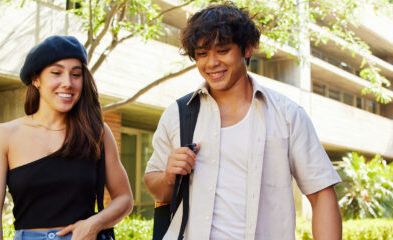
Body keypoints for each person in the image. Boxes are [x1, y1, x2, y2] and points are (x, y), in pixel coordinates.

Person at [144, 3, 342, 240]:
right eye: (202, 54)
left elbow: (321, 196)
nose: (212, 63)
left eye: (223, 51)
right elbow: (158, 192)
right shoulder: (178, 114)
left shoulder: (288, 116)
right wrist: (169, 175)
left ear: (247, 49)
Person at [0, 35, 133, 240]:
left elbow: (124, 199)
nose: (67, 83)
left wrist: (94, 224)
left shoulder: (97, 133)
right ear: (36, 79)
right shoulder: (4, 135)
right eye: (56, 73)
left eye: (76, 74)